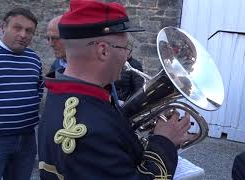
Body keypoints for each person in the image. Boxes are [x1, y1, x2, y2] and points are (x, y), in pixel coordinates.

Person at [38, 1, 191, 179]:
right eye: (125, 48)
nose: (127, 56)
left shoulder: (71, 95)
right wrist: (165, 142)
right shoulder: (87, 127)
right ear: (103, 50)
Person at [0, 8, 43, 180]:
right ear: (3, 26)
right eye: (17, 28)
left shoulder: (34, 58)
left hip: (27, 139)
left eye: (29, 31)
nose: (23, 34)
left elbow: (38, 90)